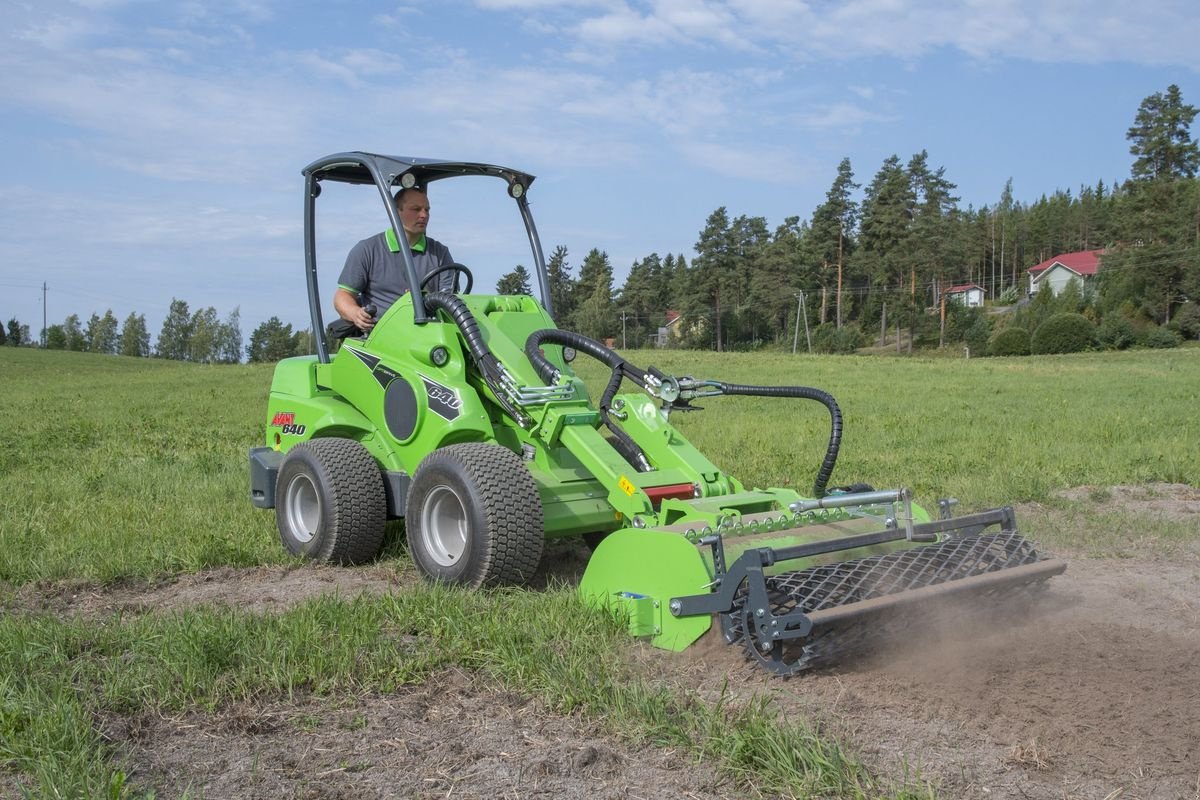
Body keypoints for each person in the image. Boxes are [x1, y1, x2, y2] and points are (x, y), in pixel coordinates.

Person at [334, 185, 455, 332]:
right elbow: (343, 296)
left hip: (429, 335)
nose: (424, 215)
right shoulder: (367, 249)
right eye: (416, 209)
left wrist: (424, 299)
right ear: (397, 212)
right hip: (381, 338)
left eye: (427, 210)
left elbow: (450, 300)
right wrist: (355, 313)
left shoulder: (440, 253)